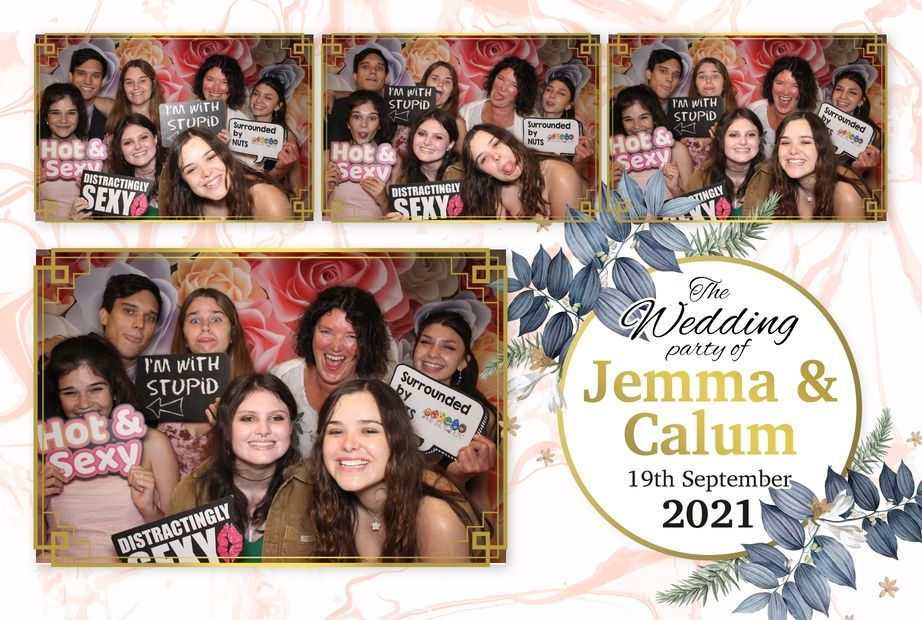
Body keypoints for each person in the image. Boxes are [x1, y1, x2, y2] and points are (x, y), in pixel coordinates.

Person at [307, 379, 480, 562]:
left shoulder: (435, 520)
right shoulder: (332, 506)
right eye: (335, 431)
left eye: (368, 431)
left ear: (396, 440)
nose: (348, 444)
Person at [40, 334, 179, 562]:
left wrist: (148, 509)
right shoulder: (45, 449)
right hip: (61, 585)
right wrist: (35, 503)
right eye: (70, 392)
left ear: (114, 389)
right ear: (57, 396)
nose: (84, 403)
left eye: (95, 389)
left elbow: (177, 545)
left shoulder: (152, 444)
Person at [166, 373, 314, 562]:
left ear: (291, 426)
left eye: (276, 418)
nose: (263, 430)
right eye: (248, 419)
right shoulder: (190, 492)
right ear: (226, 429)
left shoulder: (315, 493)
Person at [270, 286, 391, 458]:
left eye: (351, 336)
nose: (335, 346)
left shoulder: (378, 401)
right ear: (311, 333)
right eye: (326, 332)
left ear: (368, 344)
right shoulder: (282, 378)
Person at [159, 288, 255, 478]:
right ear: (184, 337)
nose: (205, 326)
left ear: (233, 333)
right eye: (194, 320)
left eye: (216, 319)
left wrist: (229, 430)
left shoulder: (255, 395)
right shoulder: (161, 390)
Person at [412, 309, 498, 517]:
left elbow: (479, 498)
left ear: (463, 361)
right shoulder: (385, 400)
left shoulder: (480, 419)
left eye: (448, 347)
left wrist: (486, 547)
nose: (433, 353)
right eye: (425, 342)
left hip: (442, 524)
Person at [158, 127, 292, 219]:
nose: (206, 172)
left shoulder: (267, 201)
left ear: (224, 155)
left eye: (210, 157)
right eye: (191, 169)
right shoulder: (184, 208)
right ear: (183, 180)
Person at [461, 123, 583, 219]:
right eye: (484, 159)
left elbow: (571, 245)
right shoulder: (492, 192)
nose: (495, 156)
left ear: (509, 140)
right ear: (485, 174)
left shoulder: (560, 175)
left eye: (496, 144)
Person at [770, 111, 868, 219]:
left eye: (805, 142)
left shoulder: (845, 194)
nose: (793, 150)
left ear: (822, 148)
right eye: (785, 142)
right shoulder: (781, 187)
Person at [68, 114, 164, 220]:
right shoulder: (113, 190)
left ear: (155, 138)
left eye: (143, 137)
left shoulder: (179, 174)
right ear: (121, 150)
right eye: (128, 142)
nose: (137, 146)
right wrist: (79, 222)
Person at [323, 90, 398, 220]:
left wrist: (384, 200)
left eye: (372, 118)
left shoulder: (393, 159)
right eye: (357, 116)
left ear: (380, 124)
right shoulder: (328, 156)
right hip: (334, 234)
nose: (364, 124)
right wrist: (324, 190)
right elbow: (312, 215)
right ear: (348, 122)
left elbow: (397, 220)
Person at [686, 108, 771, 218]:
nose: (743, 142)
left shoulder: (772, 178)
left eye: (751, 135)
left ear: (759, 139)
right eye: (733, 135)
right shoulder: (701, 178)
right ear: (721, 139)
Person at [609, 85, 693, 197]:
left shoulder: (677, 150)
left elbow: (693, 206)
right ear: (621, 122)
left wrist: (675, 189)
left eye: (644, 117)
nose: (637, 126)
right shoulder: (613, 153)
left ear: (655, 117)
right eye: (628, 120)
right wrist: (607, 187)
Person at [748, 56, 820, 156]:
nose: (786, 92)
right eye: (780, 83)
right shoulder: (754, 111)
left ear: (804, 90)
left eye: (795, 86)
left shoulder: (809, 125)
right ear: (771, 84)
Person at [326, 46, 394, 146]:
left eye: (379, 68)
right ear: (355, 75)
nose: (373, 71)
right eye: (366, 67)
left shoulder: (395, 109)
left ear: (386, 77)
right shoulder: (333, 107)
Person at [458, 56, 538, 143]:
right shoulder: (467, 112)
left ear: (522, 93)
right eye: (500, 79)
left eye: (513, 85)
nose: (503, 88)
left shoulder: (528, 126)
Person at [38, 83, 88, 219]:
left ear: (79, 116)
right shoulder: (31, 155)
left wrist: (94, 190)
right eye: (55, 113)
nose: (63, 120)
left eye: (71, 113)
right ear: (46, 117)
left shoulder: (94, 154)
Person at [247, 75, 303, 191]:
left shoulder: (286, 137)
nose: (258, 100)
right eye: (256, 94)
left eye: (267, 97)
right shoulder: (241, 130)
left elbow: (297, 186)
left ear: (278, 106)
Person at [98, 273, 162, 374]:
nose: (140, 324)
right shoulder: (72, 367)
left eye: (150, 318)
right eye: (129, 311)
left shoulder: (162, 382)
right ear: (105, 316)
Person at [683, 57, 737, 168]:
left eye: (715, 76)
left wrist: (722, 140)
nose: (708, 81)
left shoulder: (739, 120)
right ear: (696, 86)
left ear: (724, 84)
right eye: (702, 76)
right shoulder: (680, 118)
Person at [828, 68, 882, 179]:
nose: (843, 96)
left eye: (852, 92)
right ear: (832, 94)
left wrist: (857, 170)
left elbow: (868, 184)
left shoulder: (871, 135)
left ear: (861, 101)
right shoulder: (815, 123)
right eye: (839, 89)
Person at [537, 73, 595, 169]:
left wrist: (580, 162)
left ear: (568, 105)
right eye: (548, 89)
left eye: (561, 93)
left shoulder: (577, 140)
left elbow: (582, 182)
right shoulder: (525, 128)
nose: (552, 95)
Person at [393, 108, 463, 185]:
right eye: (421, 134)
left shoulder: (464, 176)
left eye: (438, 137)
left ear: (450, 144)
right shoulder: (404, 177)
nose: (427, 142)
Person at [98, 59, 164, 136]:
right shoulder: (113, 109)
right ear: (123, 87)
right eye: (129, 82)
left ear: (153, 84)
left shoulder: (167, 116)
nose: (136, 87)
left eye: (142, 80)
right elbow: (84, 99)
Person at [68, 47, 109, 140]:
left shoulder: (111, 115)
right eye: (81, 73)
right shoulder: (52, 111)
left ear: (103, 81)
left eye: (95, 76)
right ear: (71, 76)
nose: (88, 81)